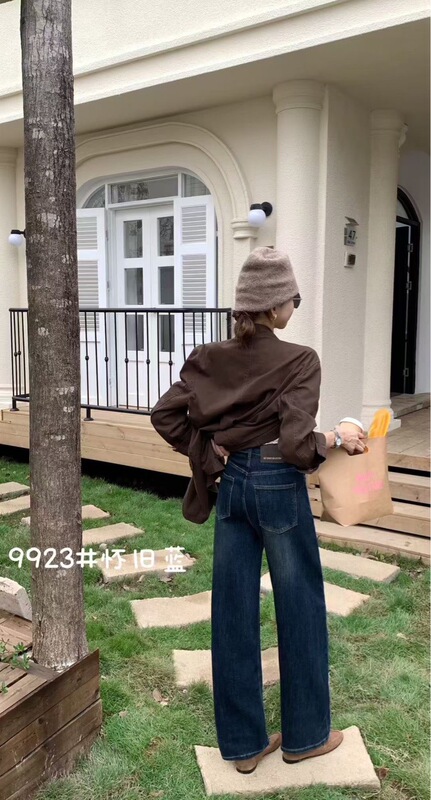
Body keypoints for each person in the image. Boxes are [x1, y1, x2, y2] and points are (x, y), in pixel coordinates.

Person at [150, 246, 367, 774]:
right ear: (273, 307)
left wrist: (209, 453)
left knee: (232, 610)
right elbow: (296, 447)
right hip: (277, 486)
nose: (294, 307)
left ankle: (244, 748)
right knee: (300, 606)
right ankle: (306, 737)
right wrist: (336, 437)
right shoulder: (300, 360)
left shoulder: (209, 357)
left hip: (232, 487)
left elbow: (165, 416)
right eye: (293, 299)